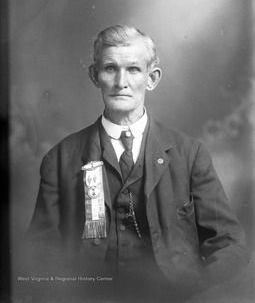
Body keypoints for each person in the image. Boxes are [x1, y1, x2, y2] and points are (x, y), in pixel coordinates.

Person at [23, 25, 249, 302]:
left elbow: (230, 244)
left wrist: (191, 287)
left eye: (133, 69)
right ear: (95, 76)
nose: (121, 82)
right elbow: (39, 249)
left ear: (152, 78)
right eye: (110, 69)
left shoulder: (189, 154)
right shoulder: (60, 158)